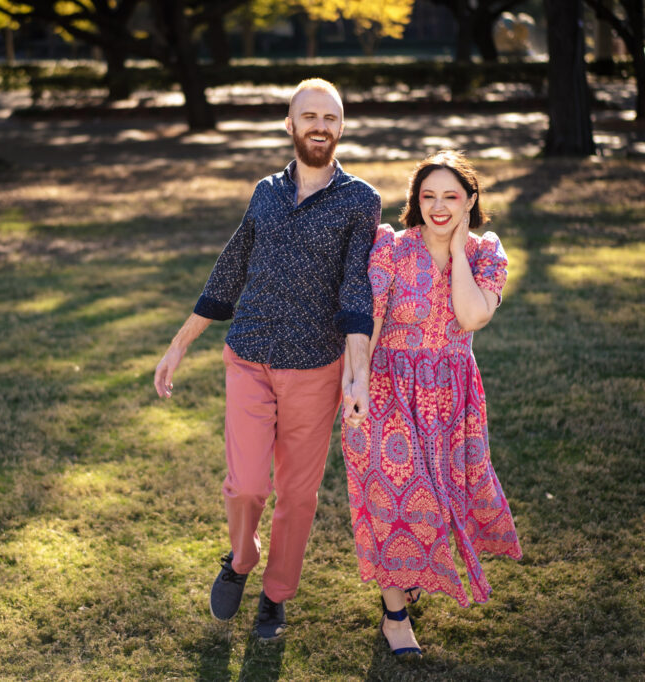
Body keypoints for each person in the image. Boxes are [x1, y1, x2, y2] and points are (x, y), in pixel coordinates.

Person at [153, 78, 381, 641]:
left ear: (342, 127)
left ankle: (275, 597)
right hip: (249, 356)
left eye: (331, 117)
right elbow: (231, 267)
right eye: (310, 116)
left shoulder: (360, 201)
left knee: (298, 496)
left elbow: (357, 291)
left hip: (316, 367)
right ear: (290, 124)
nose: (320, 127)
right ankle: (240, 556)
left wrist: (357, 376)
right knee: (247, 486)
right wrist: (181, 342)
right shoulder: (265, 192)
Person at [341, 150, 522, 657]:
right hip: (387, 387)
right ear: (414, 201)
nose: (438, 207)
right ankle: (395, 617)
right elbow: (370, 319)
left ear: (470, 201)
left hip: (451, 396)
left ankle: (410, 574)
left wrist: (459, 251)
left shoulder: (486, 252)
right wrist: (356, 383)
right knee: (393, 500)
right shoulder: (391, 246)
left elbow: (470, 317)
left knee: (437, 499)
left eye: (450, 196)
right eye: (428, 196)